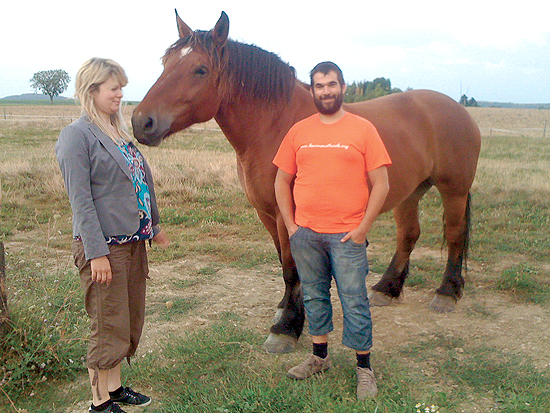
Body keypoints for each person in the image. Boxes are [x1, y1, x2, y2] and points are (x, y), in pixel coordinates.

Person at [56, 58, 169, 413]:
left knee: (128, 318)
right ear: (92, 91)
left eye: (121, 86)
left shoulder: (117, 132)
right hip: (105, 247)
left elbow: (140, 183)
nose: (121, 94)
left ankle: (115, 388)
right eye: (113, 88)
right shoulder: (77, 135)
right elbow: (81, 200)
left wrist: (155, 224)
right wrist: (96, 252)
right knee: (107, 323)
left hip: (133, 242)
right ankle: (98, 402)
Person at [273, 61, 391, 399]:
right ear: (312, 91)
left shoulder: (363, 129)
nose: (326, 91)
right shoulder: (299, 131)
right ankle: (319, 357)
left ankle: (364, 369)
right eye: (320, 86)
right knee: (314, 296)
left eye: (332, 84)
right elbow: (282, 180)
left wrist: (362, 227)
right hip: (307, 235)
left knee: (354, 302)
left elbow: (381, 184)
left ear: (343, 87)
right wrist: (293, 226)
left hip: (347, 236)